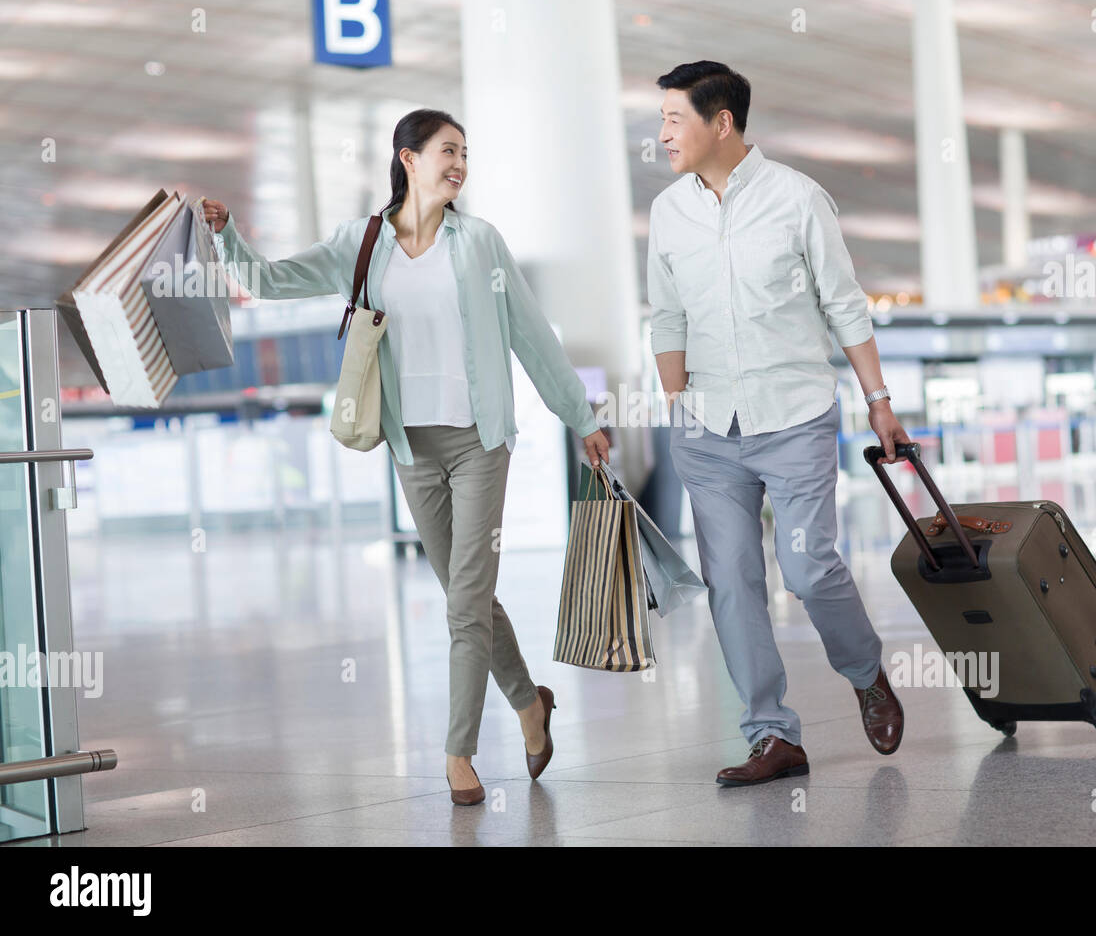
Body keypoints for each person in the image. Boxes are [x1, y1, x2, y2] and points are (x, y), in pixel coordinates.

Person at [204, 108, 609, 807]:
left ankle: (457, 753)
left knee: (463, 605)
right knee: (468, 596)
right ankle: (530, 703)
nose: (459, 164)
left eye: (465, 154)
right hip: (410, 444)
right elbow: (270, 282)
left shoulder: (478, 242)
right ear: (408, 158)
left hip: (481, 441)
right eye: (447, 151)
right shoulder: (363, 244)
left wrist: (581, 416)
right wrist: (226, 237)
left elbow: (532, 335)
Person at [647, 62, 912, 787]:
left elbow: (844, 303)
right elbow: (665, 312)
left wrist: (878, 398)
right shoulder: (669, 212)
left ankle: (865, 673)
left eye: (675, 118)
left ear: (721, 121)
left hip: (794, 416)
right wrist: (676, 399)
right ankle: (772, 735)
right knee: (731, 582)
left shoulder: (798, 199)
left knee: (807, 568)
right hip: (707, 430)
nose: (663, 133)